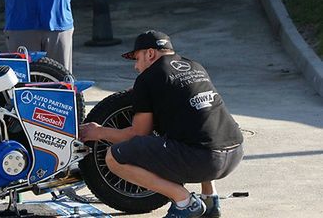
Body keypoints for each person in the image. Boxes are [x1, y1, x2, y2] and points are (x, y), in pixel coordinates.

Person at [80, 31, 244, 218]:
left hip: (205, 161)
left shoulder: (148, 77)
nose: (136, 66)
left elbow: (138, 134)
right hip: (234, 153)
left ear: (150, 54)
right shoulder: (195, 66)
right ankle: (210, 199)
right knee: (199, 124)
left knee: (113, 158)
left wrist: (99, 132)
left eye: (137, 58)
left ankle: (185, 202)